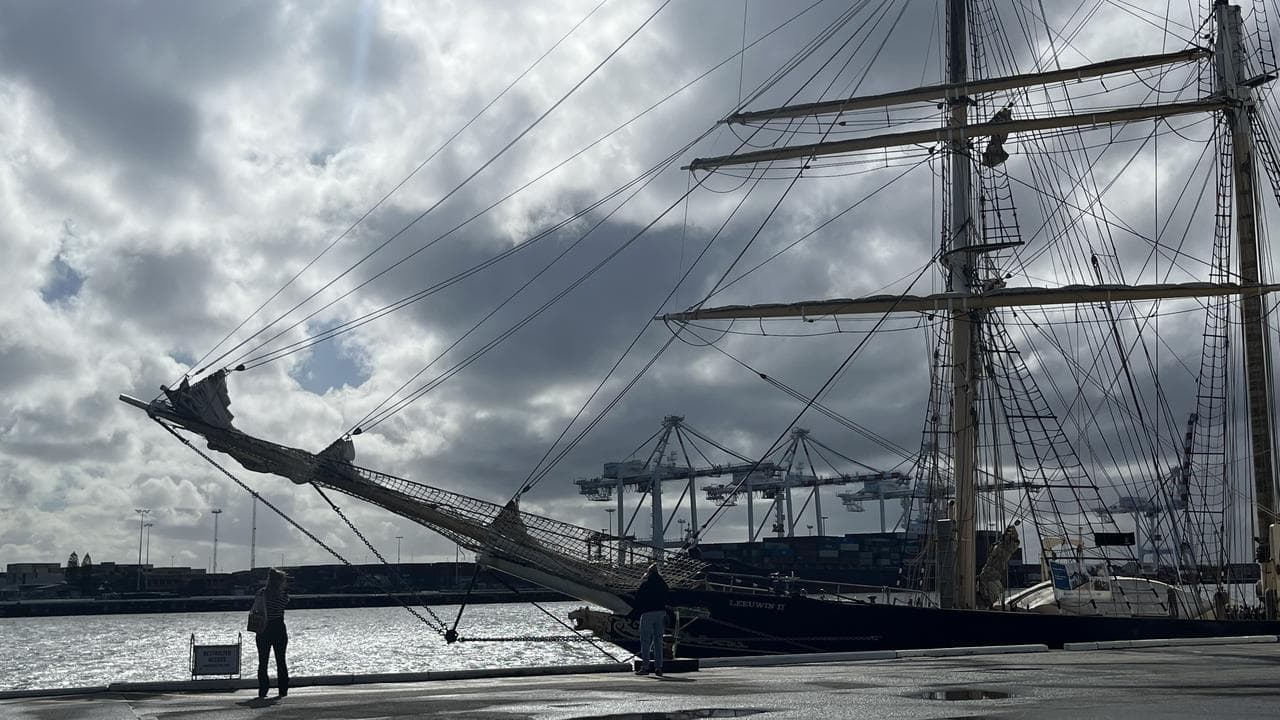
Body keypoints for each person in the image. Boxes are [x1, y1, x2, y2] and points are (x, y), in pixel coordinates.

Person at [253, 568, 290, 698]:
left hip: (263, 628)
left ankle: (263, 690)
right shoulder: (283, 595)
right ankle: (283, 690)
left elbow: (255, 608)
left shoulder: (261, 593)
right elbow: (284, 604)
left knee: (263, 661)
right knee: (281, 660)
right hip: (279, 628)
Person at [631, 563, 669, 676]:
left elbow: (638, 600)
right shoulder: (663, 585)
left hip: (647, 614)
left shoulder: (646, 585)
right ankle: (659, 667)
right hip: (661, 613)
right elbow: (668, 597)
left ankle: (646, 667)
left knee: (646, 641)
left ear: (649, 573)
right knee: (658, 642)